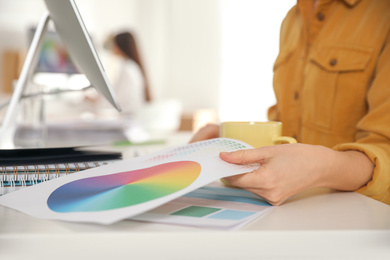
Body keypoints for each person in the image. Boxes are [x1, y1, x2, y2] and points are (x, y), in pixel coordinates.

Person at [190, 0, 390, 206]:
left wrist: (321, 167)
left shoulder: (382, 12)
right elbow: (287, 126)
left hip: (360, 218)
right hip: (295, 212)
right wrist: (233, 140)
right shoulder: (292, 19)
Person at [103, 31, 152, 117]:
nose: (111, 47)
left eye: (113, 44)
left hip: (128, 116)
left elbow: (122, 101)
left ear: (119, 46)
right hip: (130, 115)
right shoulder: (130, 67)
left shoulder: (128, 69)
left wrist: (98, 102)